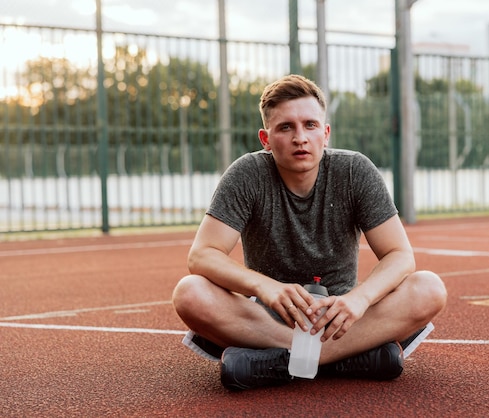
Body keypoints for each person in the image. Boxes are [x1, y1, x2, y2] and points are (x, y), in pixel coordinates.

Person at [172, 74, 447, 391]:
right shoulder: (247, 174)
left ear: (326, 133)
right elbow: (202, 255)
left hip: (344, 321)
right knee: (189, 292)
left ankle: (280, 362)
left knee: (429, 288)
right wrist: (266, 288)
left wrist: (359, 299)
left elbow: (400, 255)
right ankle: (342, 360)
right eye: (285, 127)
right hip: (269, 321)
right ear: (265, 138)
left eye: (310, 125)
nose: (300, 137)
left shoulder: (354, 171)